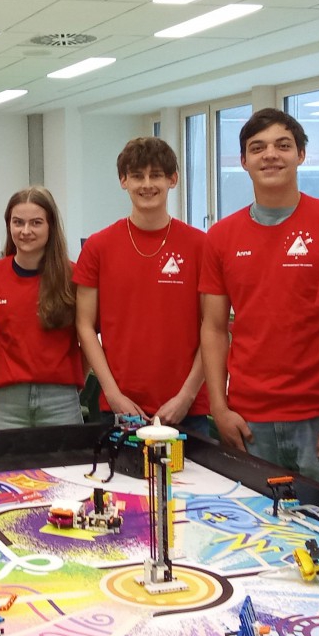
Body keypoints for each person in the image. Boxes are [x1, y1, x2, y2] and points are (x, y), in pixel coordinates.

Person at [200, 109, 319, 490]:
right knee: (256, 522)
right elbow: (214, 328)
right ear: (243, 161)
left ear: (301, 154)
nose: (270, 154)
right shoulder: (220, 237)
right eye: (258, 148)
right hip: (249, 420)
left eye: (282, 145)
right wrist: (219, 408)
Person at [73, 137, 209, 432]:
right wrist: (112, 394)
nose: (147, 184)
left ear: (173, 179)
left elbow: (213, 327)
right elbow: (84, 325)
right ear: (124, 181)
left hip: (187, 408)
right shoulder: (98, 247)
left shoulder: (201, 246)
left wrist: (186, 395)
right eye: (137, 176)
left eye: (156, 175)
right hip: (120, 407)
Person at [0, 186, 85, 429]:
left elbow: (88, 339)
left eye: (36, 223)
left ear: (51, 226)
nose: (26, 231)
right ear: (9, 225)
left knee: (67, 457)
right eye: (18, 222)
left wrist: (71, 383)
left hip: (61, 401)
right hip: (8, 402)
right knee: (8, 457)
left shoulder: (73, 277)